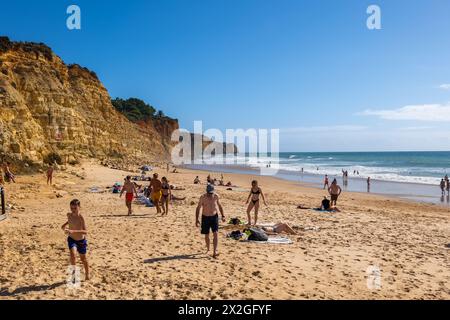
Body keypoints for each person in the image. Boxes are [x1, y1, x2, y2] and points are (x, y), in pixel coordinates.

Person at [61, 199, 89, 281]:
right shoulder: (69, 215)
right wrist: (64, 225)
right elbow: (70, 220)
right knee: (73, 255)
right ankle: (74, 274)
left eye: (75, 208)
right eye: (71, 208)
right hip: (71, 239)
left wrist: (73, 231)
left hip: (81, 240)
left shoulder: (81, 217)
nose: (73, 210)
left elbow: (85, 231)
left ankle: (87, 273)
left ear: (79, 207)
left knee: (83, 259)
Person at [195, 184, 225, 259]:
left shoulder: (216, 196)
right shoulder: (203, 197)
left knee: (216, 233)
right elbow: (198, 208)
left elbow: (219, 206)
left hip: (214, 217)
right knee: (207, 234)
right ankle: (208, 248)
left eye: (211, 193)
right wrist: (196, 219)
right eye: (209, 192)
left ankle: (214, 251)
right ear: (206, 191)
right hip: (205, 217)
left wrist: (223, 215)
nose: (210, 194)